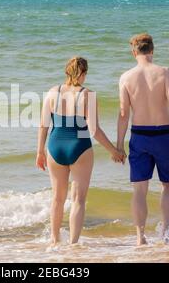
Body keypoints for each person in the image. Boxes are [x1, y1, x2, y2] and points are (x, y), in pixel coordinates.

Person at [36, 56, 122, 247]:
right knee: (78, 200)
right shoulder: (87, 95)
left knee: (58, 198)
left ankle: (55, 240)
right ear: (82, 73)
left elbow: (43, 125)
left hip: (55, 146)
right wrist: (113, 151)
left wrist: (40, 152)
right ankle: (74, 245)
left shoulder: (52, 92)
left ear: (67, 71)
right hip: (79, 147)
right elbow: (94, 131)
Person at [117, 34, 169, 246]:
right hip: (164, 135)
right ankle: (166, 233)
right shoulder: (164, 72)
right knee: (168, 185)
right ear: (152, 50)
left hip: (139, 135)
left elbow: (123, 113)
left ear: (134, 52)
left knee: (139, 189)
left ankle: (140, 237)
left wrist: (119, 145)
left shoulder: (126, 77)